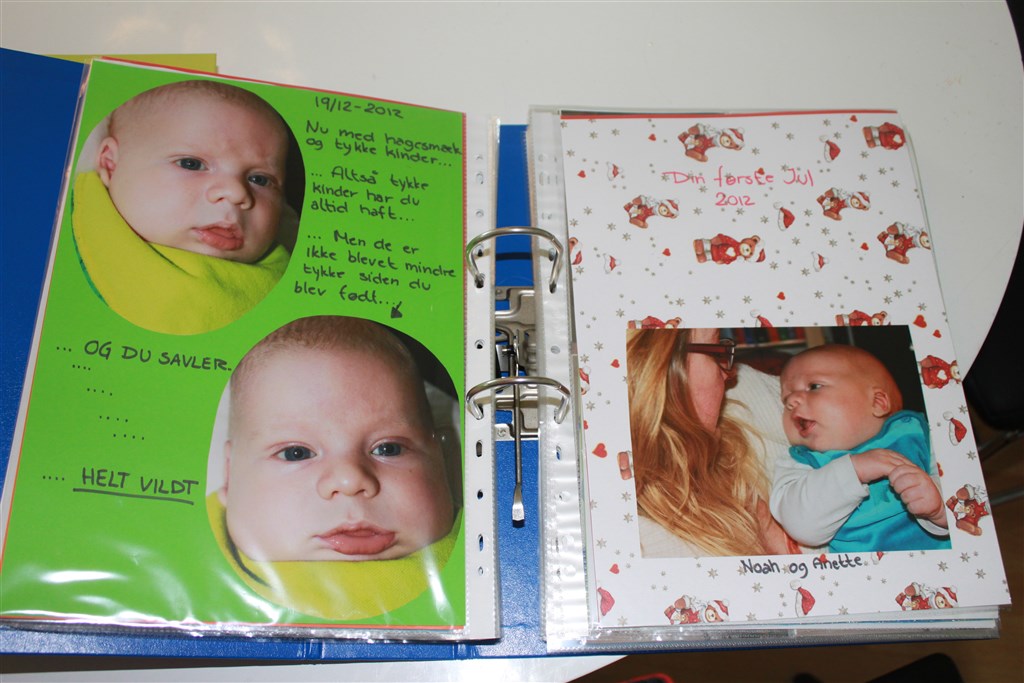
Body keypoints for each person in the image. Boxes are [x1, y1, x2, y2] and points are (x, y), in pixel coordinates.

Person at [208, 316, 461, 619]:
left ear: (442, 460)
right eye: (296, 453)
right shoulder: (190, 571)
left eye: (388, 448)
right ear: (229, 475)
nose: (350, 479)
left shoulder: (480, 559)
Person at [72, 79, 296, 335]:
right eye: (192, 164)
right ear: (110, 164)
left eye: (260, 179)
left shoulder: (285, 286)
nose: (236, 193)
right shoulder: (63, 239)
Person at [628, 327, 799, 557]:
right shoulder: (641, 541)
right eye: (717, 351)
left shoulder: (736, 438)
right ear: (665, 372)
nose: (731, 375)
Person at [771, 344, 949, 553]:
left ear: (878, 402)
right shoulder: (800, 463)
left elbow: (966, 494)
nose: (792, 402)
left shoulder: (917, 433)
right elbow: (801, 526)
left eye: (814, 386)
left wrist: (939, 508)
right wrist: (854, 470)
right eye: (786, 400)